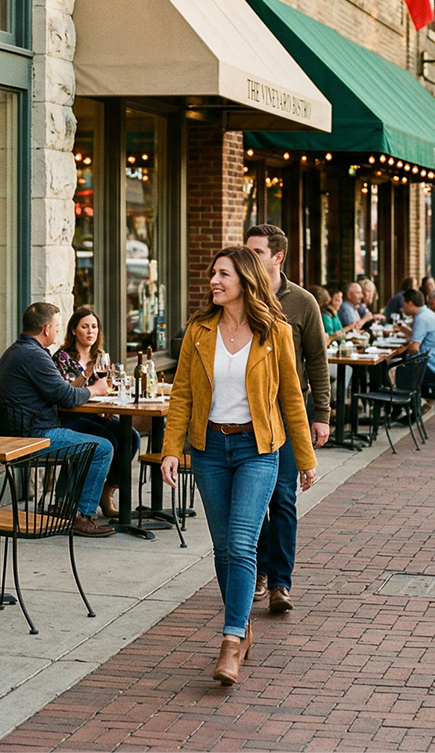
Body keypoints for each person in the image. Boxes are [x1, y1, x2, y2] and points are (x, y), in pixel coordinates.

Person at [160, 246, 317, 686]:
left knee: (244, 543)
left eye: (223, 275)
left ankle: (229, 641)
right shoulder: (199, 330)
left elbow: (291, 399)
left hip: (258, 449)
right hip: (209, 449)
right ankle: (243, 625)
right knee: (224, 545)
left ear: (245, 281)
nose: (214, 281)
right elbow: (182, 395)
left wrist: (304, 458)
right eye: (213, 274)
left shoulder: (275, 331)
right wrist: (172, 449)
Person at [245, 224, 330, 616]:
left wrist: (322, 415)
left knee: (282, 497)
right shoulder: (238, 298)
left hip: (288, 410)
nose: (249, 257)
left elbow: (317, 361)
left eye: (257, 252)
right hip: (245, 413)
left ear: (277, 257)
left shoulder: (303, 302)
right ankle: (259, 569)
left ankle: (279, 581)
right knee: (250, 499)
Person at [0, 302, 116, 538]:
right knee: (102, 447)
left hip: (18, 432)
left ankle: (64, 507)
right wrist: (97, 390)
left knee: (91, 440)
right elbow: (66, 396)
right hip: (33, 437)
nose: (58, 331)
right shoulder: (35, 356)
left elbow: (60, 393)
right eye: (58, 327)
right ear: (47, 329)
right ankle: (80, 515)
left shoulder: (14, 351)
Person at [52, 306, 136, 519]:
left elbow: (110, 388)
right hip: (70, 417)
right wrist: (86, 375)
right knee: (107, 439)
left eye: (94, 327)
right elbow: (65, 395)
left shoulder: (101, 357)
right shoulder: (62, 358)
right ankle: (69, 500)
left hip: (95, 415)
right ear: (73, 330)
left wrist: (106, 408)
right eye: (85, 327)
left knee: (131, 437)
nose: (91, 331)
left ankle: (106, 492)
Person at [402, 288, 435, 378]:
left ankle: (396, 391)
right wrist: (406, 331)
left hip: (431, 367)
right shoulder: (426, 313)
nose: (403, 308)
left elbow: (414, 348)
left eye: (404, 304)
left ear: (410, 304)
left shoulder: (421, 318)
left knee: (393, 367)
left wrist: (399, 352)